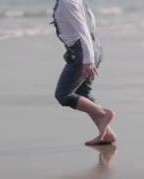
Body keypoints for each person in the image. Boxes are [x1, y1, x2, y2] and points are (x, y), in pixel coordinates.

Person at [52, 0, 116, 146]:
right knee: (84, 93)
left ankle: (103, 113)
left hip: (82, 54)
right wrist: (91, 55)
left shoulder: (67, 2)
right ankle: (107, 133)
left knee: (63, 94)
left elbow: (83, 30)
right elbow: (90, 23)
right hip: (93, 49)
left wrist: (88, 60)